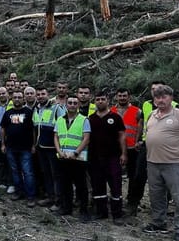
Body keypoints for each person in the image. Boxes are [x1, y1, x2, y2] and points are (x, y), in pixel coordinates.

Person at [142, 85, 179, 241]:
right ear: (154, 100)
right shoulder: (152, 115)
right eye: (157, 97)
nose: (160, 100)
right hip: (153, 162)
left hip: (175, 163)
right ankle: (158, 223)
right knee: (156, 196)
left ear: (171, 98)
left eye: (164, 97)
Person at [133, 81, 179, 216]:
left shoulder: (175, 107)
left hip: (166, 148)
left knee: (164, 177)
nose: (155, 91)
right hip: (146, 145)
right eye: (153, 89)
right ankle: (134, 203)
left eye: (158, 89)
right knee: (139, 175)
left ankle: (163, 206)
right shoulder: (146, 105)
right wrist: (138, 140)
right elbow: (141, 123)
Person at [88, 91, 127, 224]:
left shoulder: (115, 117)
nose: (100, 101)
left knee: (115, 185)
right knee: (98, 186)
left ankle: (117, 214)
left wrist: (123, 153)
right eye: (97, 99)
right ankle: (101, 212)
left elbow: (122, 135)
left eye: (102, 99)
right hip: (95, 158)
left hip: (113, 157)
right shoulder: (90, 119)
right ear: (94, 102)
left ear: (108, 101)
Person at [54, 96, 91, 221]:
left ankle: (84, 211)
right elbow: (56, 137)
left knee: (81, 186)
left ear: (78, 105)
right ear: (66, 105)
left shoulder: (83, 119)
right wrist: (59, 151)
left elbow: (86, 138)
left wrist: (76, 152)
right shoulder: (59, 119)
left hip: (78, 159)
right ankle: (66, 208)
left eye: (75, 103)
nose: (72, 105)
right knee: (65, 185)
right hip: (63, 158)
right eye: (70, 103)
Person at [0, 90, 36, 207]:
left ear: (23, 99)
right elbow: (3, 129)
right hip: (11, 147)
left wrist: (33, 145)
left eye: (19, 97)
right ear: (12, 99)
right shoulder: (8, 113)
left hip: (25, 148)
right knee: (15, 171)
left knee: (27, 172)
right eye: (15, 97)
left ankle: (30, 196)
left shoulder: (29, 112)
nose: (17, 99)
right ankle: (18, 192)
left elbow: (33, 130)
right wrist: (3, 144)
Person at [111, 88, 143, 216]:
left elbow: (140, 128)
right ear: (116, 97)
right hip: (115, 148)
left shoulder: (137, 111)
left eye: (124, 96)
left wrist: (137, 142)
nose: (122, 98)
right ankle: (115, 198)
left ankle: (132, 202)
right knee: (114, 175)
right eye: (120, 96)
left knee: (133, 177)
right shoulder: (111, 110)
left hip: (132, 149)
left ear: (129, 97)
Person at [33, 87, 65, 210]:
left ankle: (59, 200)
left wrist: (60, 147)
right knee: (46, 173)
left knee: (56, 175)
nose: (40, 96)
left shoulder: (56, 108)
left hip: (53, 147)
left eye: (43, 94)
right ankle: (50, 196)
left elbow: (63, 126)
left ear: (48, 95)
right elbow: (35, 128)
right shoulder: (37, 109)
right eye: (38, 94)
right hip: (41, 147)